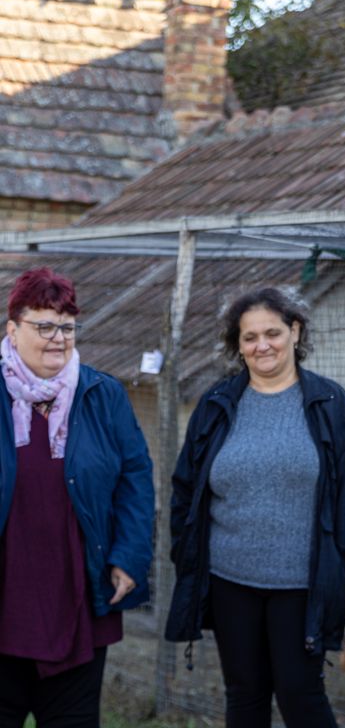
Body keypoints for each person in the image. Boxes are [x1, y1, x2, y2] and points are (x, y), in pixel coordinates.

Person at [164, 288, 345, 728]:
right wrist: (186, 553)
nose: (263, 346)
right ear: (237, 345)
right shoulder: (217, 406)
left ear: (295, 332)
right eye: (250, 337)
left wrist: (343, 567)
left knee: (301, 696)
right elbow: (186, 488)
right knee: (243, 695)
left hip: (302, 587)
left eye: (272, 333)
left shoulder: (332, 406)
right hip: (229, 581)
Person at [0, 267, 155, 727]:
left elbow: (135, 477)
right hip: (8, 593)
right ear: (12, 329)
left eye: (66, 327)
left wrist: (129, 555)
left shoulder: (101, 394)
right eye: (43, 326)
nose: (57, 338)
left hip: (77, 593)